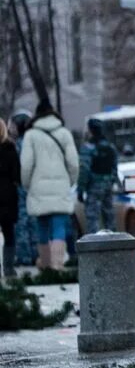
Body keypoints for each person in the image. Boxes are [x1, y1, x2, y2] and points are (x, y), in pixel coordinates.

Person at [20, 99, 78, 270]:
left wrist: (27, 184)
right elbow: (74, 164)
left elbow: (26, 164)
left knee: (42, 227)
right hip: (60, 186)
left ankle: (45, 264)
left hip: (38, 187)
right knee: (59, 226)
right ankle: (58, 264)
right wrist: (69, 182)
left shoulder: (30, 135)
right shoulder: (65, 133)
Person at [77, 118, 119, 235]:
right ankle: (113, 242)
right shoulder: (110, 147)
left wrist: (81, 189)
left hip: (93, 187)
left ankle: (94, 246)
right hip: (107, 187)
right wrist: (110, 182)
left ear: (90, 130)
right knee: (109, 217)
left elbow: (84, 170)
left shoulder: (88, 148)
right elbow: (115, 168)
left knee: (92, 219)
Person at [9, 112, 36, 267]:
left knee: (21, 223)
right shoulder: (33, 142)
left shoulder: (17, 145)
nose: (10, 128)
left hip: (20, 189)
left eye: (12, 125)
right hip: (33, 188)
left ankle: (24, 256)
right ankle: (35, 254)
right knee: (33, 222)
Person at [0, 120, 20, 277]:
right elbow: (16, 175)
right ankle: (8, 268)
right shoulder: (10, 148)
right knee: (9, 233)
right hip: (7, 195)